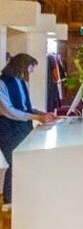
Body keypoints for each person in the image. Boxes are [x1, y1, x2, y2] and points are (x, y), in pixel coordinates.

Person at [0, 54, 56, 211]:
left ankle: (22, 197)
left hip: (23, 127)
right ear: (22, 66)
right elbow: (9, 111)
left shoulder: (21, 82)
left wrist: (44, 113)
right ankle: (8, 201)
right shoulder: (2, 83)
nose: (31, 72)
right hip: (8, 129)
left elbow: (25, 107)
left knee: (24, 162)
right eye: (31, 68)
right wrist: (37, 116)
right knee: (15, 162)